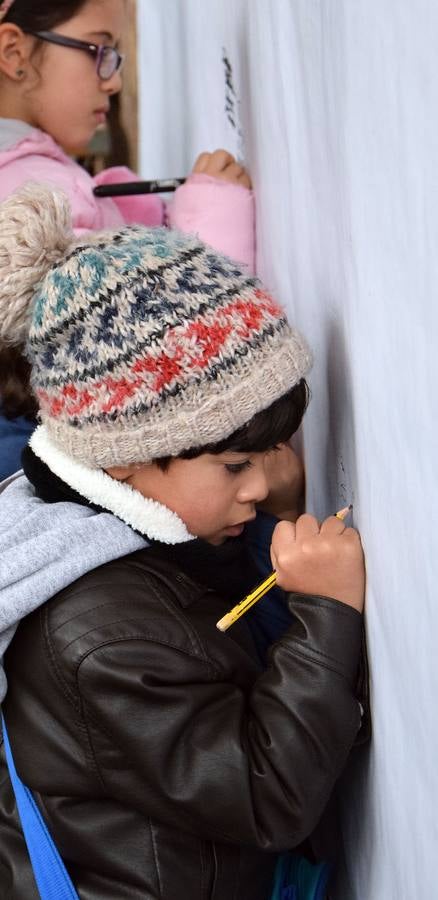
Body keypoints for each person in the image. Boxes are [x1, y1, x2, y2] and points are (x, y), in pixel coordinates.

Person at [0, 185, 366, 899]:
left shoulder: (120, 533)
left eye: (273, 451)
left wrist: (272, 518)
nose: (265, 483)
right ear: (129, 455)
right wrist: (327, 616)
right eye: (237, 465)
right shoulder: (103, 636)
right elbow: (267, 796)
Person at [0, 0, 256, 478]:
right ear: (15, 53)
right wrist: (212, 224)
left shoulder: (29, 172)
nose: (113, 80)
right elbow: (151, 351)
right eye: (99, 50)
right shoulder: (35, 191)